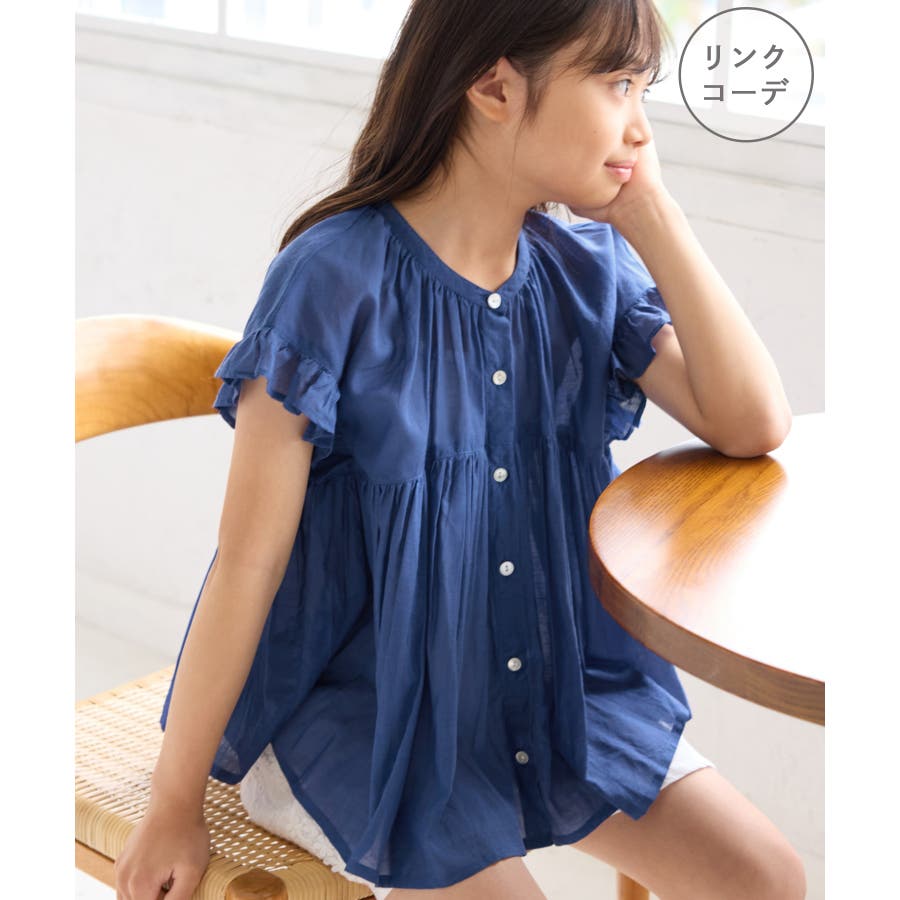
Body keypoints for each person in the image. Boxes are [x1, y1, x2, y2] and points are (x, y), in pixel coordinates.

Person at [113, 1, 807, 899]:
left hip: (557, 692)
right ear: (494, 86)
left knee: (767, 877)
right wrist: (173, 802)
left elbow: (752, 423)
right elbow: (249, 563)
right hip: (370, 717)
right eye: (616, 84)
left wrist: (655, 214)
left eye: (644, 88)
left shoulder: (584, 269)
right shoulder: (332, 280)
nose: (640, 126)